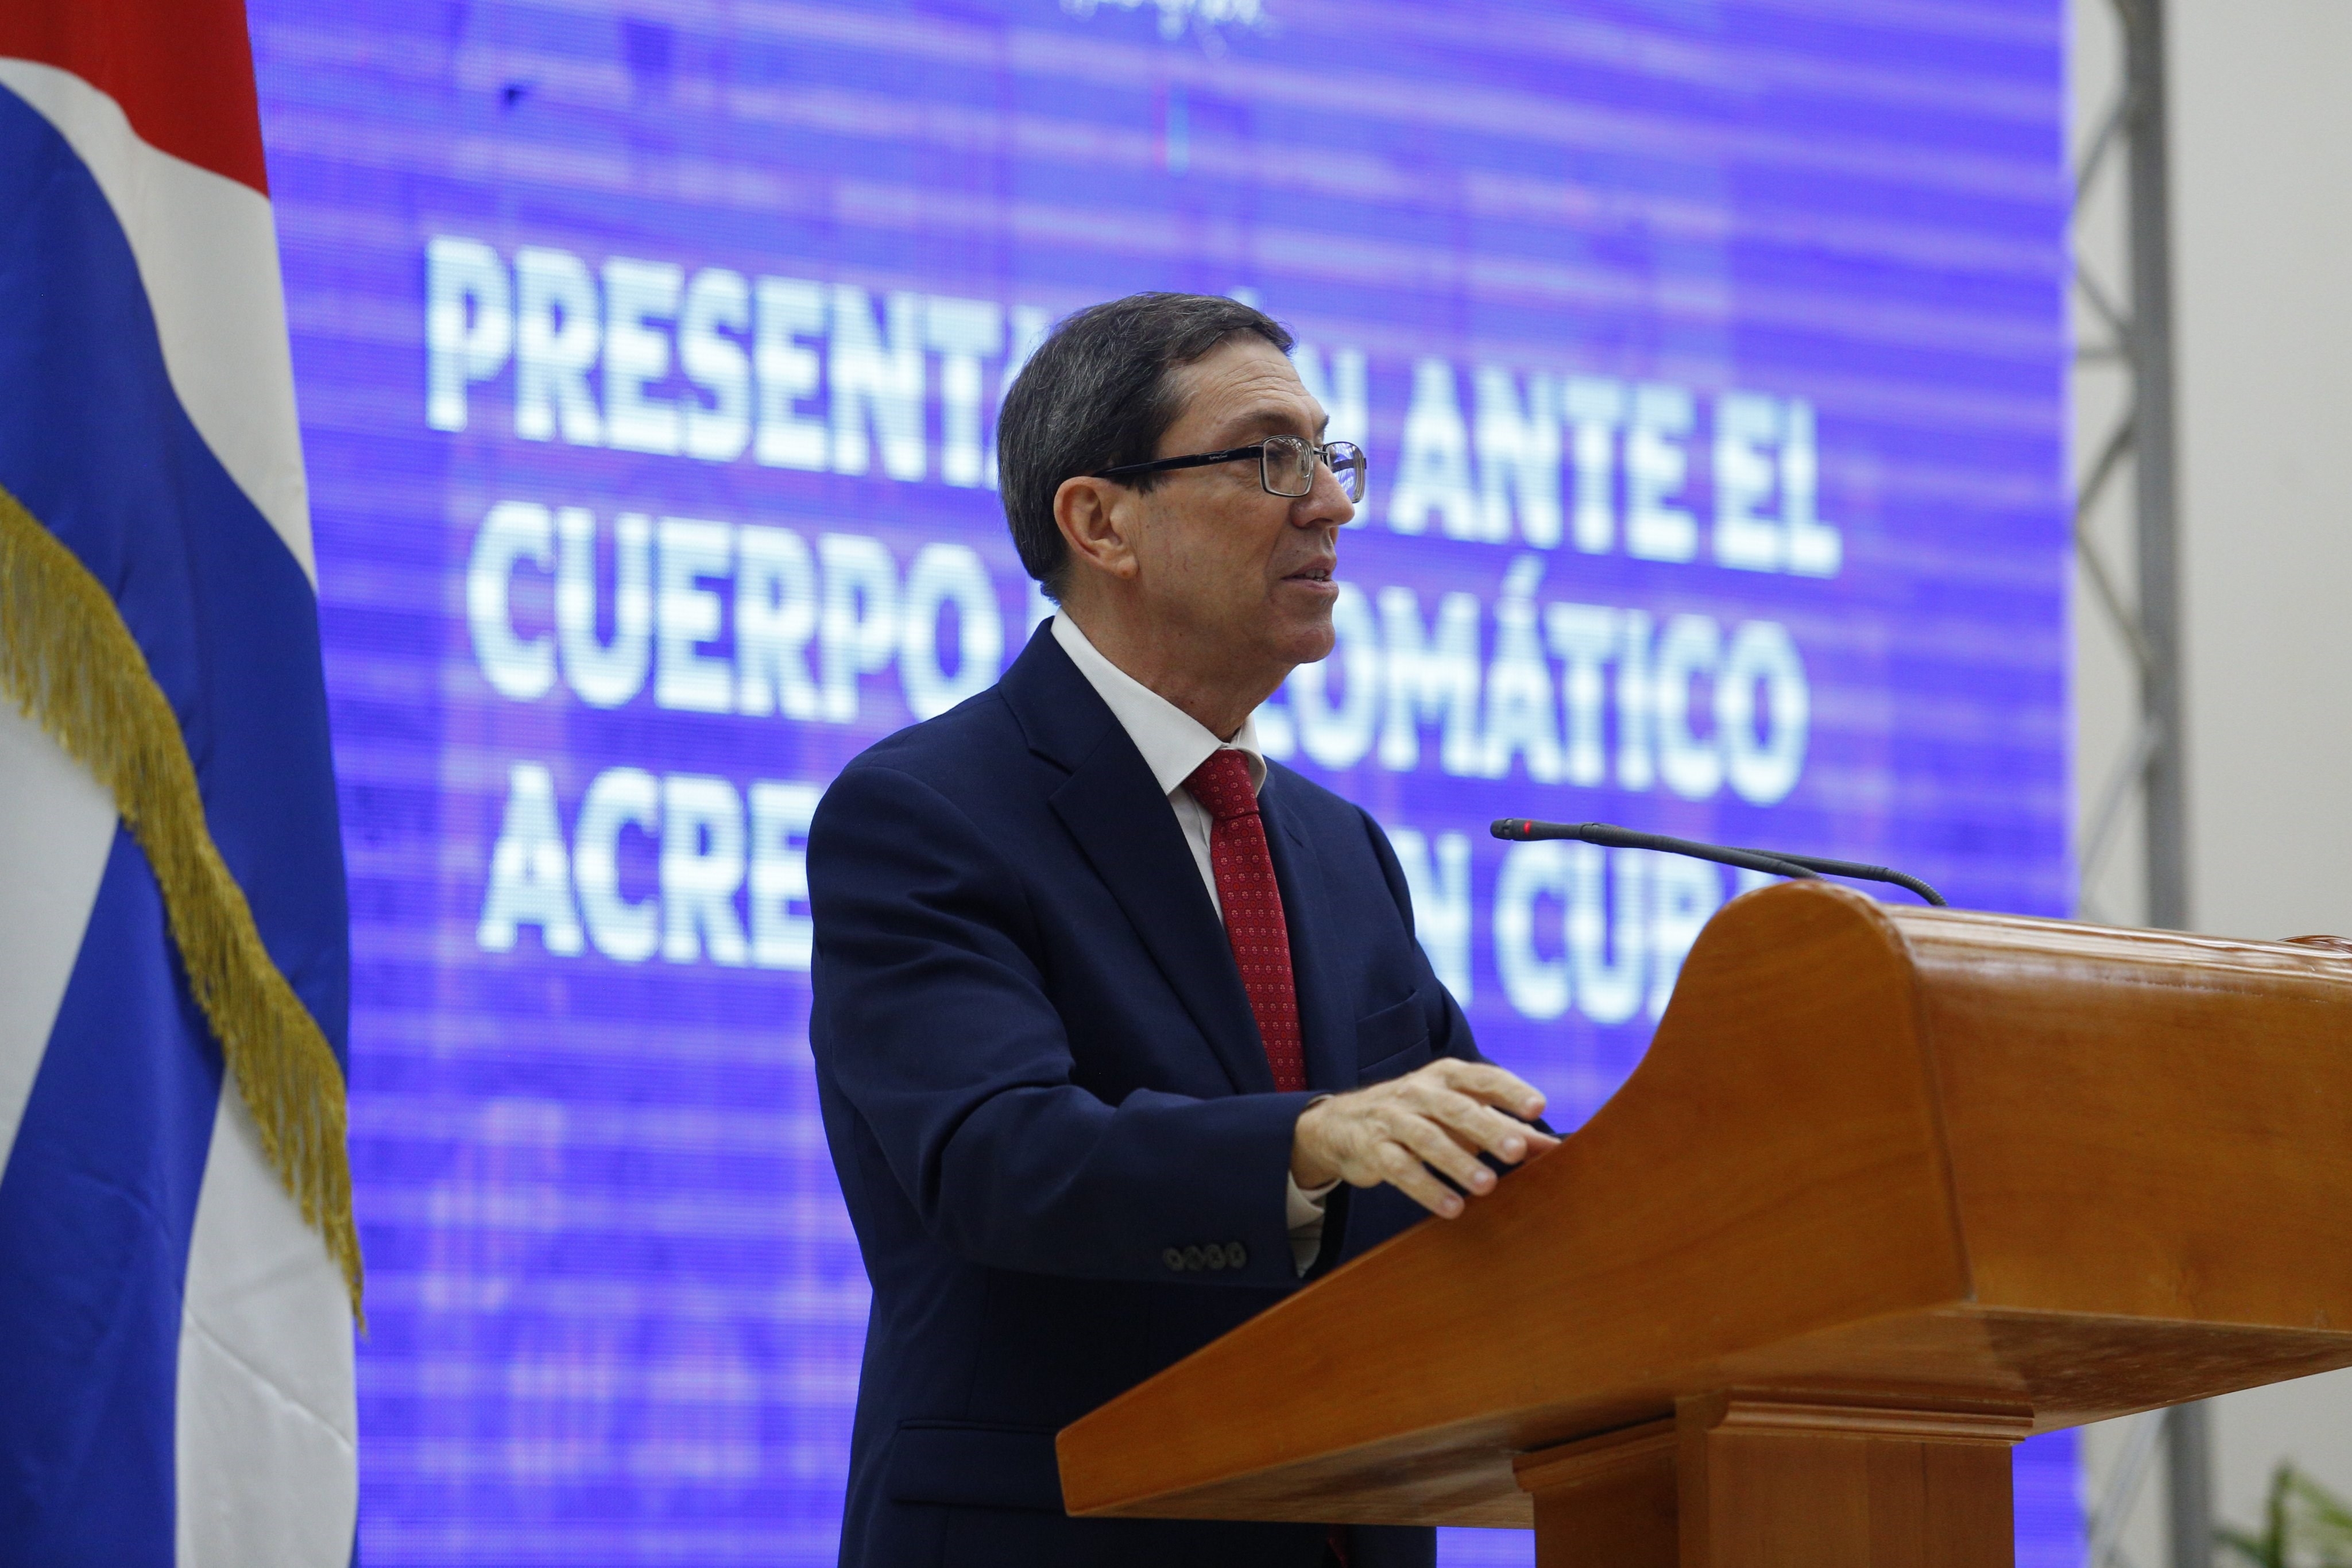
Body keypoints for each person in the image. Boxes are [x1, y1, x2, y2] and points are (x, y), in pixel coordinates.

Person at [807, 292, 1559, 1568]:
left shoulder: (1336, 848)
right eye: (1269, 457)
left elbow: (1464, 1166)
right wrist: (1308, 1140)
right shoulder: (925, 813)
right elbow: (998, 1155)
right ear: (1101, 521)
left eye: (1327, 457)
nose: (1328, 503)